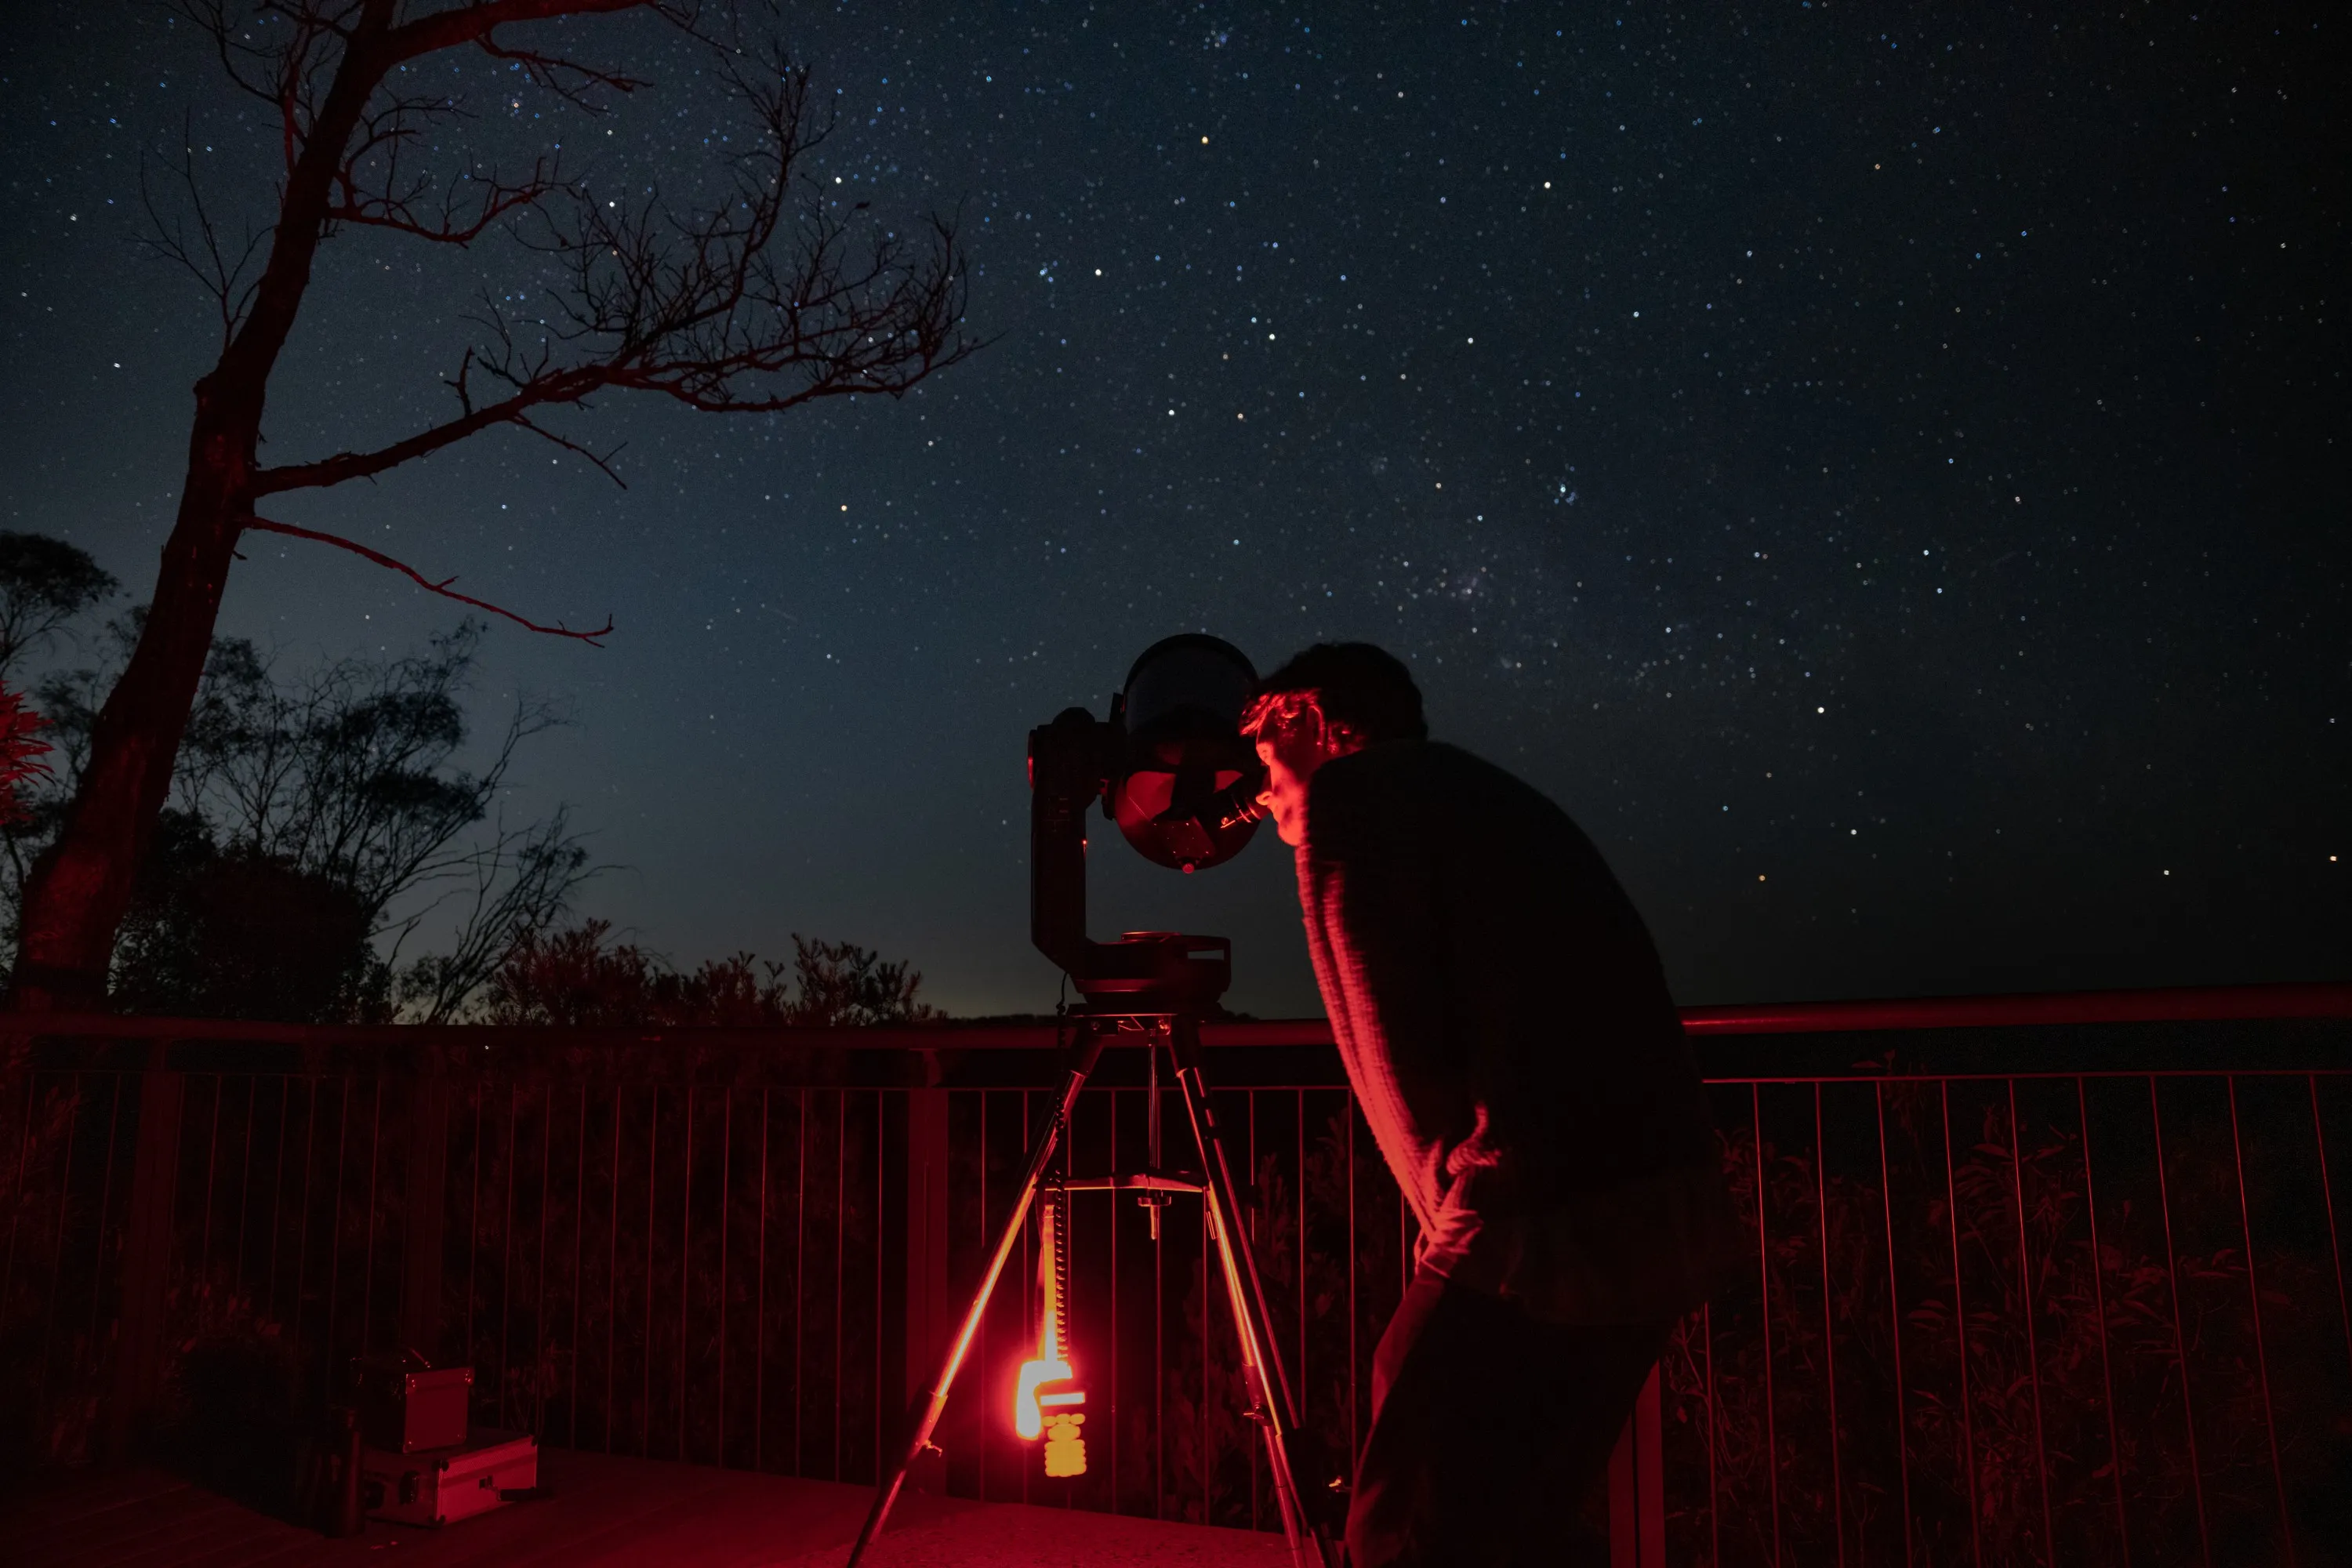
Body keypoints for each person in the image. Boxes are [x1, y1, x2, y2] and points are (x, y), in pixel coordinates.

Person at [1243, 642, 1737, 1568]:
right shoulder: (1470, 791)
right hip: (1663, 1203)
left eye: (1267, 752)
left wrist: (1453, 1219)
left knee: (1410, 1524)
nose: (1260, 785)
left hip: (1538, 1218)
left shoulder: (1353, 804)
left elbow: (1386, 1040)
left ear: (1311, 718)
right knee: (1520, 1522)